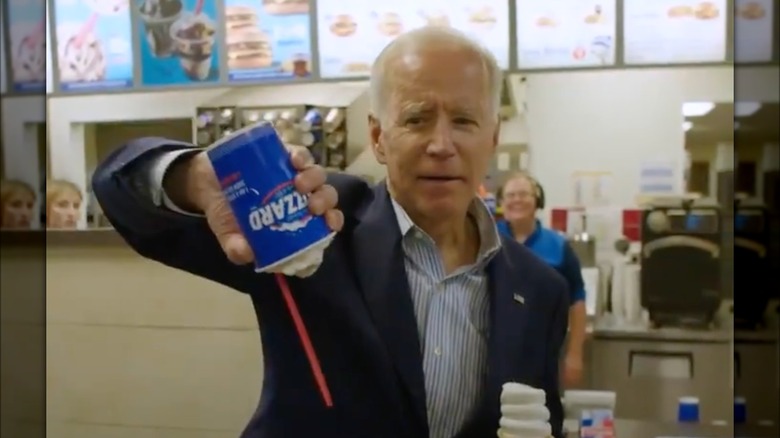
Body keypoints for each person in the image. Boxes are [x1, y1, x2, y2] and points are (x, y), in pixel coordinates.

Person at [91, 27, 569, 438]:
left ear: (493, 136)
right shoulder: (311, 219)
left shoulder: (539, 290)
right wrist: (194, 178)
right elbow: (122, 192)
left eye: (463, 121)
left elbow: (537, 419)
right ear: (379, 138)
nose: (441, 145)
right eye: (417, 119)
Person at [496, 172, 588, 388]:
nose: (516, 200)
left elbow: (577, 299)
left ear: (537, 201)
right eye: (510, 195)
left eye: (523, 194)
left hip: (542, 354)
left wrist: (575, 353)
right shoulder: (487, 238)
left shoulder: (558, 245)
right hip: (493, 353)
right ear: (501, 202)